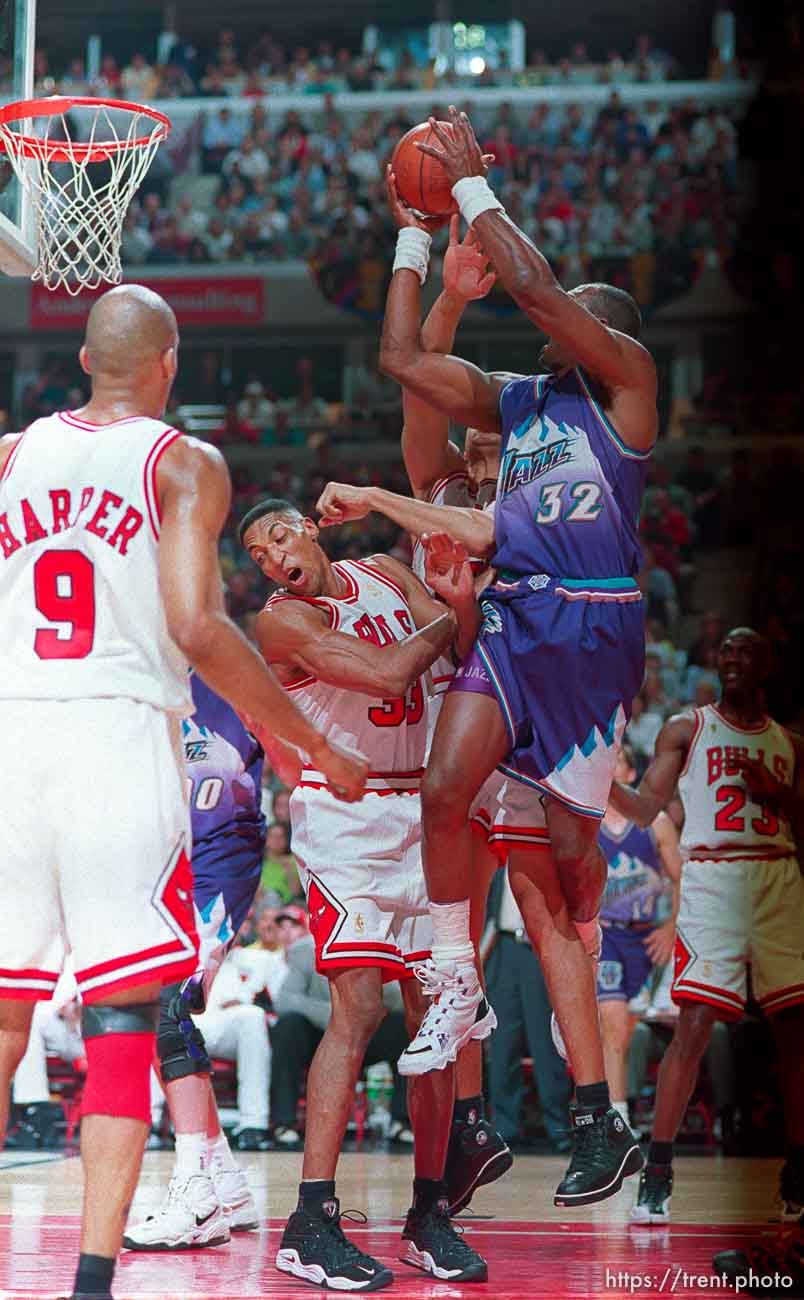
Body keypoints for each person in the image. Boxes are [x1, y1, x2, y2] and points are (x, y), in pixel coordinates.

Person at [0, 284, 366, 1300]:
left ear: (83, 358)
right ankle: (89, 1283)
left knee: (3, 1016)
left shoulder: (10, 456)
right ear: (171, 363)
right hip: (115, 736)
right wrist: (303, 746)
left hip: (12, 734)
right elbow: (201, 629)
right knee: (123, 1017)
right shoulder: (184, 460)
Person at [339, 102, 657, 1206]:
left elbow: (538, 296)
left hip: (584, 630)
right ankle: (481, 1111)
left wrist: (469, 185)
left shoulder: (622, 392)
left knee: (558, 887)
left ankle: (589, 1108)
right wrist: (416, 238)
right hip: (502, 641)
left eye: (576, 322)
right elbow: (404, 364)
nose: (552, 330)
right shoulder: (513, 418)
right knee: (472, 885)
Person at [241, 498, 487, 1289]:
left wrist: (460, 612)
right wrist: (452, 609)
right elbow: (392, 668)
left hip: (422, 807)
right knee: (359, 1007)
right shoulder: (279, 622)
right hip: (343, 814)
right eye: (254, 552)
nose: (271, 555)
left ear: (309, 529)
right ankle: (311, 1219)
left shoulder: (381, 570)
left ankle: (428, 1212)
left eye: (278, 533)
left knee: (434, 1015)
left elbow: (462, 652)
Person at [609, 628, 804, 1231]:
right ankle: (659, 1169)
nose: (732, 659)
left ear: (768, 663)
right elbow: (644, 809)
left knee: (795, 1034)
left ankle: (796, 1171)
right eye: (725, 651)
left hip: (777, 876)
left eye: (746, 651)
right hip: (713, 877)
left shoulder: (790, 743)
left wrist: (780, 796)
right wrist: (591, 781)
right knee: (692, 1026)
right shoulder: (686, 728)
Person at [124, 670, 270, 1254]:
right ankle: (227, 1184)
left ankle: (196, 1193)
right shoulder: (135, 686)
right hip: (160, 860)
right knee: (157, 1013)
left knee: (168, 1006)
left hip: (218, 855)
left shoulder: (232, 672)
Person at [596, 743, 681, 1125]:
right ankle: (619, 1117)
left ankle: (635, 1110)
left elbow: (684, 880)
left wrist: (670, 927)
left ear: (630, 774)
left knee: (629, 1029)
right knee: (612, 1022)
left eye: (618, 761)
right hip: (606, 935)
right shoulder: (586, 821)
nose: (609, 768)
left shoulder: (656, 822)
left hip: (647, 938)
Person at [270, 923, 413, 1150]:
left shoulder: (376, 948)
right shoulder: (305, 949)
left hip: (364, 1032)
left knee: (403, 1025)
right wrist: (335, 1013)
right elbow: (285, 1001)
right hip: (321, 1034)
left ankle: (402, 1122)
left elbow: (398, 1003)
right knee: (288, 1026)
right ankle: (283, 1122)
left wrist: (374, 982)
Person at [484, 869, 572, 1153]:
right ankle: (505, 1127)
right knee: (502, 1043)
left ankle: (557, 1126)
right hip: (504, 947)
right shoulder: (496, 861)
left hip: (539, 946)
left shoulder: (541, 853)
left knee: (544, 1040)